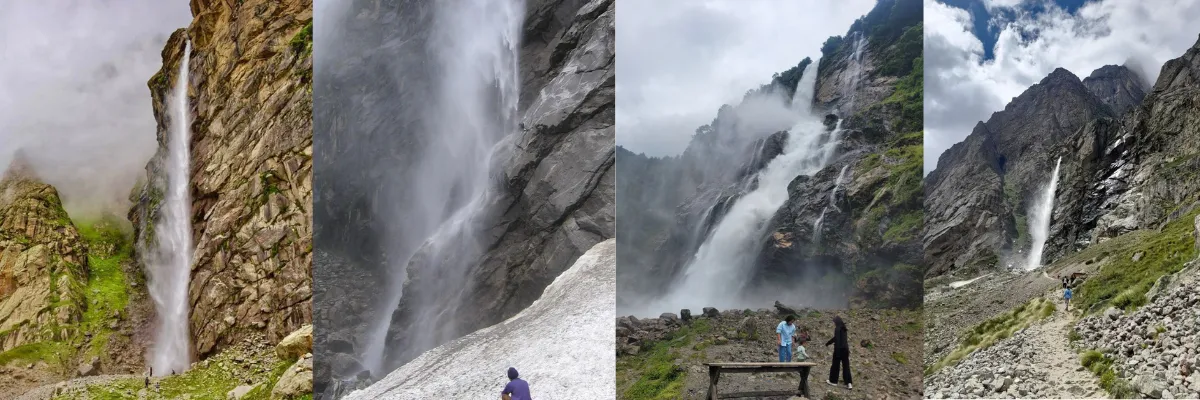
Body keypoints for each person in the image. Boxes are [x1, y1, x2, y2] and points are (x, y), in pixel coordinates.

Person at [825, 315, 852, 389]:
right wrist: (829, 342)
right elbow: (837, 338)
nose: (834, 323)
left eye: (834, 322)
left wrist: (836, 351)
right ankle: (849, 383)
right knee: (846, 366)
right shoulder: (844, 328)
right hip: (846, 349)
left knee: (835, 366)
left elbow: (837, 340)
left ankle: (833, 381)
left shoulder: (837, 328)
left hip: (839, 350)